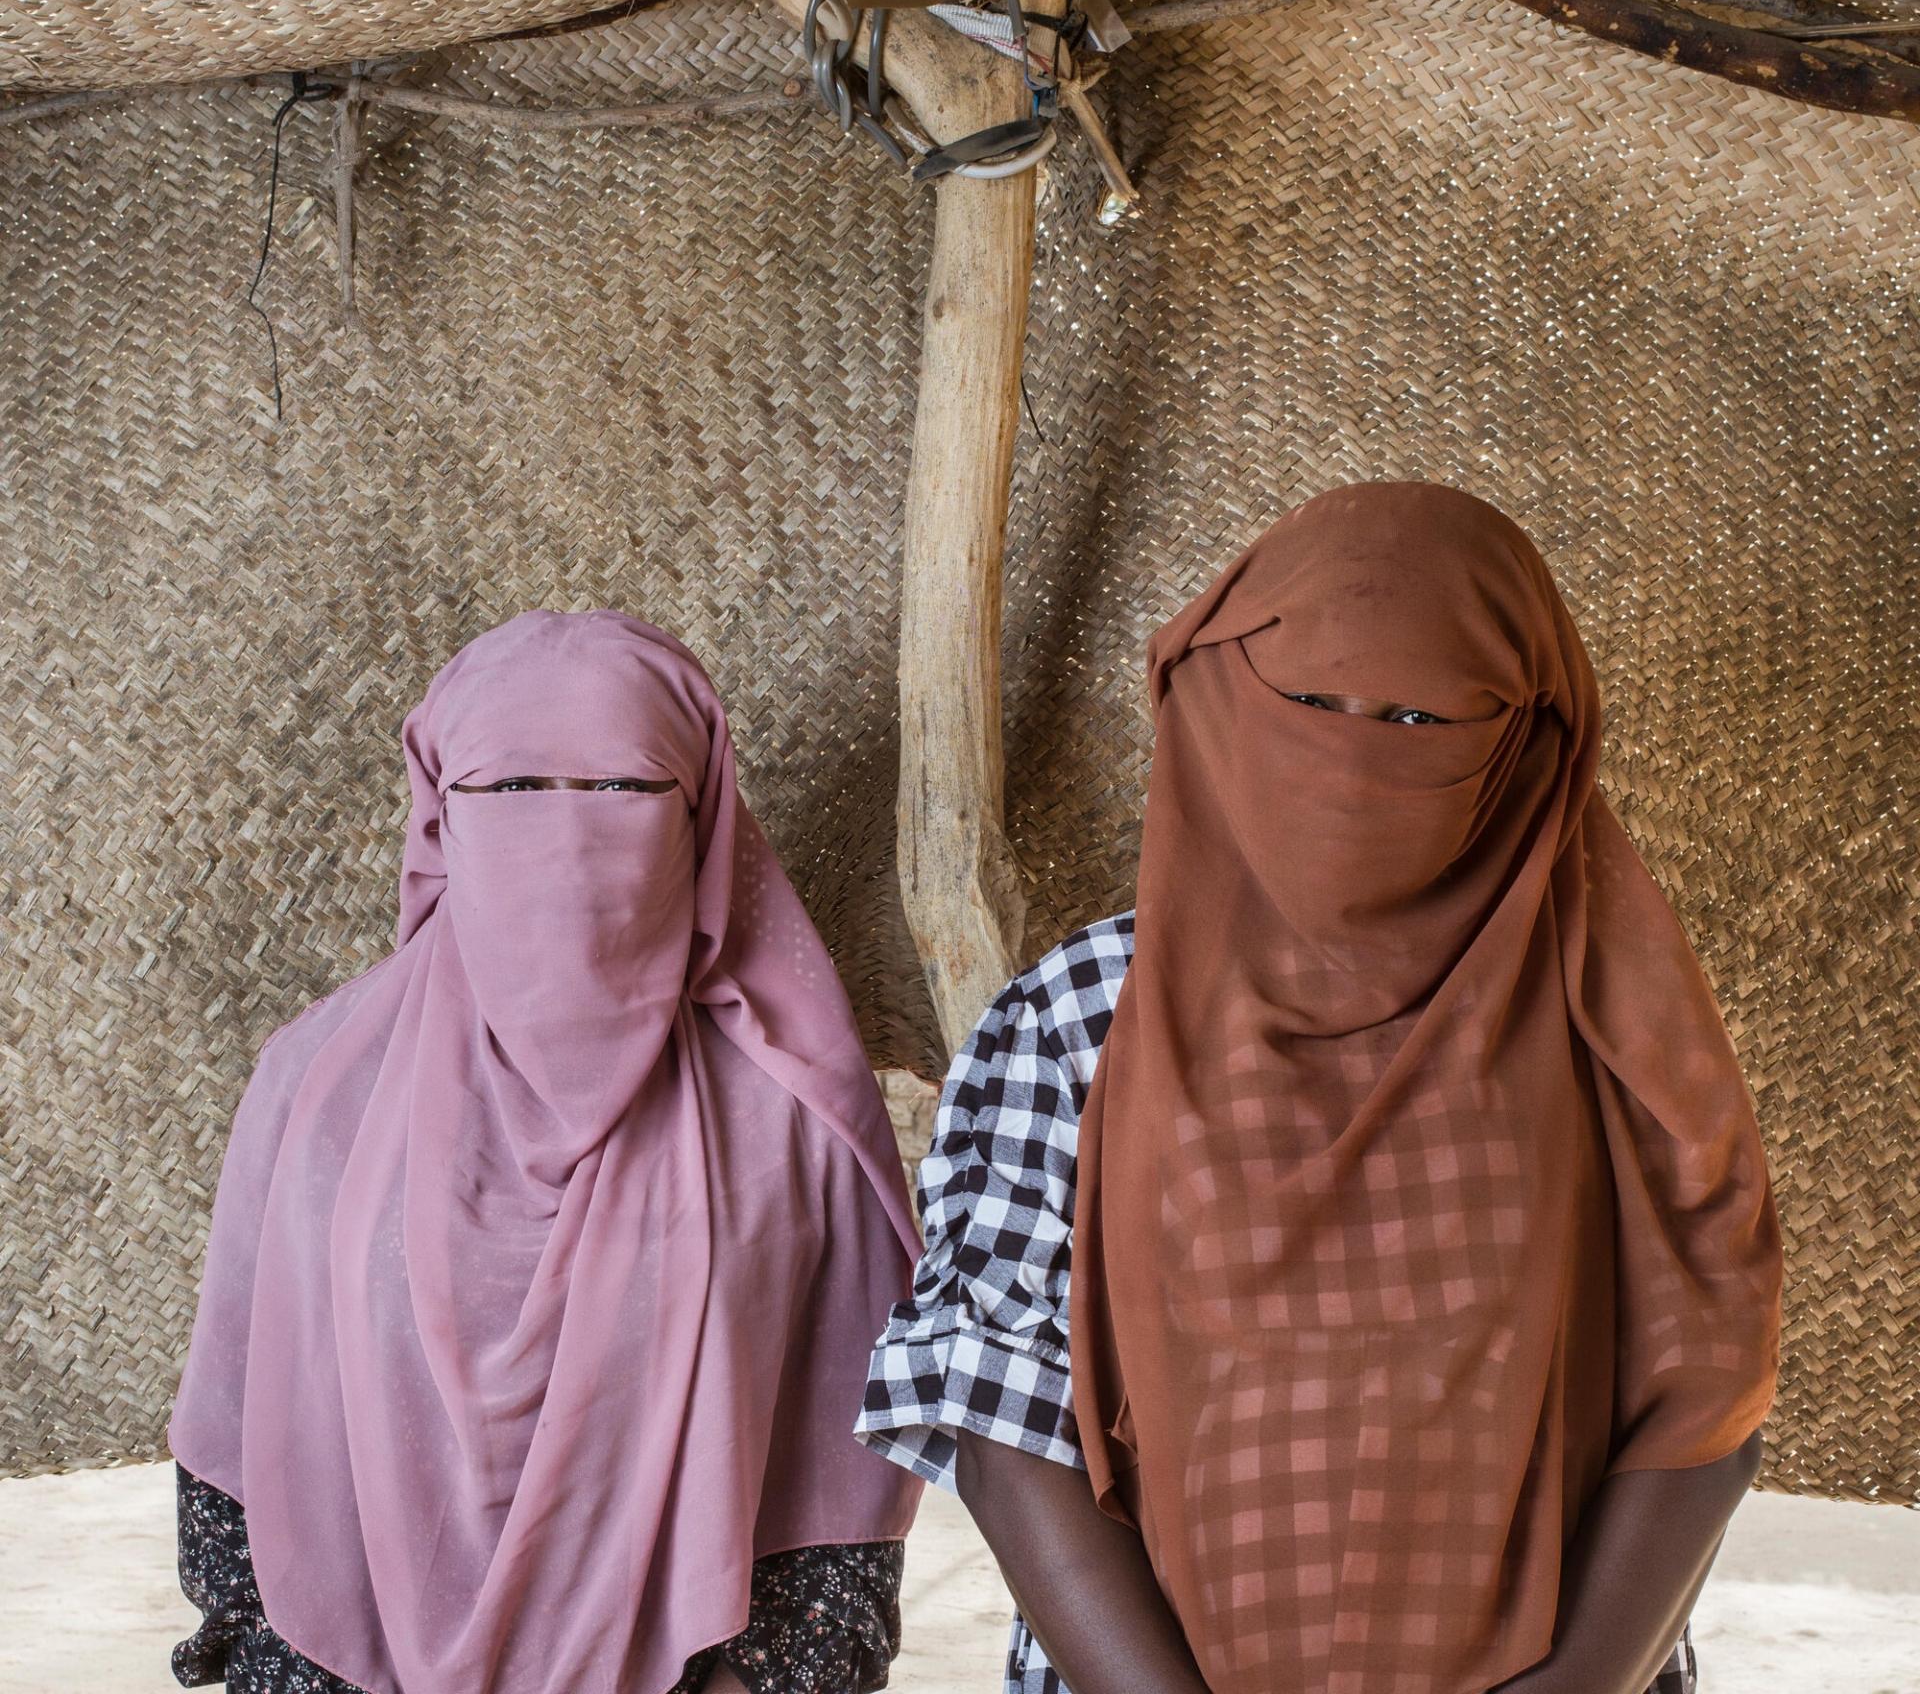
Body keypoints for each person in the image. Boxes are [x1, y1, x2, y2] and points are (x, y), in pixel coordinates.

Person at [859, 482, 1783, 1694]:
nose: (1353, 758)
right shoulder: (1084, 1014)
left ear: (1532, 742)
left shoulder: (1606, 1024)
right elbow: (994, 1391)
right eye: (1309, 703)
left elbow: (1704, 1387)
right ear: (1217, 693)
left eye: (1419, 717)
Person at [171, 610, 922, 1694]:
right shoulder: (318, 1087)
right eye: (510, 791)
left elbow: (837, 1489)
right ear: (440, 818)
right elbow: (242, 1454)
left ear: (701, 819)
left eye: (623, 790)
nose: (568, 836)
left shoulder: (790, 1120)